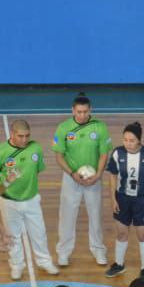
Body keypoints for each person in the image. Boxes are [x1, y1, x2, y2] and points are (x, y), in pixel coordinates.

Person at [0, 120, 60, 284]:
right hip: (8, 201)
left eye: (27, 136)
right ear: (12, 134)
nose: (24, 140)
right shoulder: (0, 153)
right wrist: (6, 181)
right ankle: (16, 265)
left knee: (39, 233)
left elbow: (37, 171)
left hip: (32, 199)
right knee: (13, 235)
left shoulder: (35, 148)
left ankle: (44, 261)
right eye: (20, 136)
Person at [53, 94, 112, 267]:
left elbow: (104, 154)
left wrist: (99, 174)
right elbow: (58, 156)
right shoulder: (64, 128)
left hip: (94, 179)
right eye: (78, 112)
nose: (82, 115)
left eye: (85, 112)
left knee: (95, 215)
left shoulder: (99, 127)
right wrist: (72, 174)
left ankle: (99, 250)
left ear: (90, 110)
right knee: (67, 216)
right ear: (72, 110)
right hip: (71, 178)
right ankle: (63, 253)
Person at [105, 122, 144, 282]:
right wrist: (113, 199)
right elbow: (112, 176)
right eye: (125, 140)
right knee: (121, 233)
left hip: (143, 201)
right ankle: (119, 264)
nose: (127, 143)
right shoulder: (117, 153)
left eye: (132, 140)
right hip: (122, 199)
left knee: (142, 235)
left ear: (139, 141)